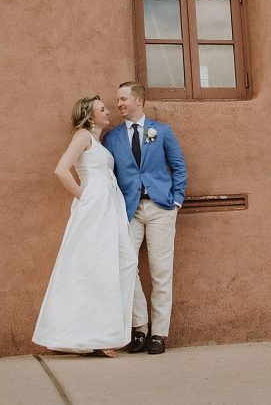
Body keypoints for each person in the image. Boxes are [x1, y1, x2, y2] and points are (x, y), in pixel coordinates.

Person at [32, 96, 137, 356]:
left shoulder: (98, 142)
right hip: (95, 206)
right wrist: (83, 196)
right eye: (103, 109)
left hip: (109, 205)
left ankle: (105, 332)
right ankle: (97, 338)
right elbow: (61, 170)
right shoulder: (83, 136)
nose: (108, 111)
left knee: (124, 262)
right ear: (91, 117)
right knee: (96, 265)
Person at [103, 81, 187, 355]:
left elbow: (178, 166)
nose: (119, 104)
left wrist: (176, 200)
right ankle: (139, 327)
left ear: (139, 100)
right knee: (126, 267)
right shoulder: (112, 137)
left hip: (161, 208)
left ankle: (159, 333)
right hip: (129, 210)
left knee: (161, 272)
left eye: (123, 99)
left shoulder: (161, 131)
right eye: (117, 100)